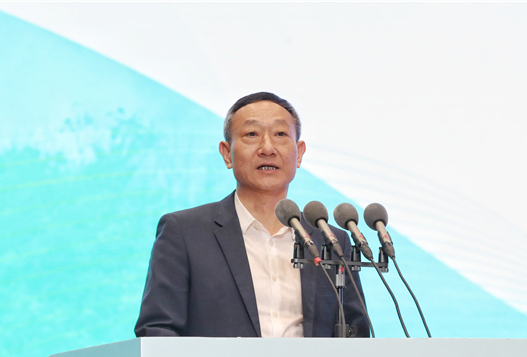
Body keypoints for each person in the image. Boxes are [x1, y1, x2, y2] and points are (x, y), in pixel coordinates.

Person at [134, 92, 368, 338]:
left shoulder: (331, 241)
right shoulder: (184, 233)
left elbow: (357, 336)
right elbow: (157, 331)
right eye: (252, 134)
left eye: (280, 134)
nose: (267, 148)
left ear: (299, 153)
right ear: (227, 153)